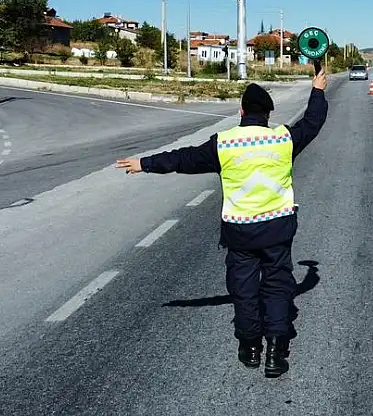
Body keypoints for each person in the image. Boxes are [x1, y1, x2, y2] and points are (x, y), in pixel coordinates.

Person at [115, 68, 328, 378]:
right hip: (277, 229)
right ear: (268, 113)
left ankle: (251, 348)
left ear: (241, 110)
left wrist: (144, 163)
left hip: (240, 233)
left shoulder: (224, 144)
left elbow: (183, 159)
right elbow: (313, 122)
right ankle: (276, 352)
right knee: (278, 288)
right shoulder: (283, 139)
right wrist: (317, 89)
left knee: (243, 291)